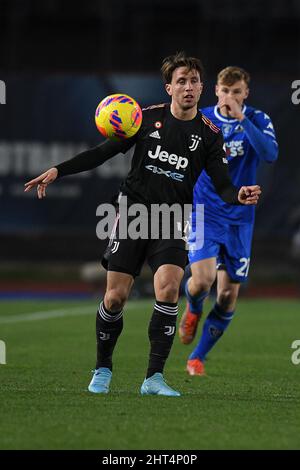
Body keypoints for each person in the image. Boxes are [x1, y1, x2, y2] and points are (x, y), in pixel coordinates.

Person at [24, 53, 261, 397]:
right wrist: (59, 170)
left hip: (173, 219)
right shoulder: (145, 119)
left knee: (168, 289)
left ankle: (153, 378)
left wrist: (239, 194)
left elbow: (223, 184)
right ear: (169, 87)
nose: (189, 87)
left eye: (194, 81)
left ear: (201, 87)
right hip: (134, 213)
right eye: (181, 81)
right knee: (115, 297)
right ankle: (103, 368)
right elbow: (102, 152)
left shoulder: (209, 135)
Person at [178, 66, 278, 376]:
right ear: (216, 91)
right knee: (204, 280)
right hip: (204, 211)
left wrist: (242, 119)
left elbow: (270, 154)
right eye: (225, 90)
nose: (230, 97)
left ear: (246, 93)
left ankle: (197, 357)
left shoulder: (258, 119)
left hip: (240, 217)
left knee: (226, 294)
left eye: (236, 91)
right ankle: (193, 308)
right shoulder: (202, 118)